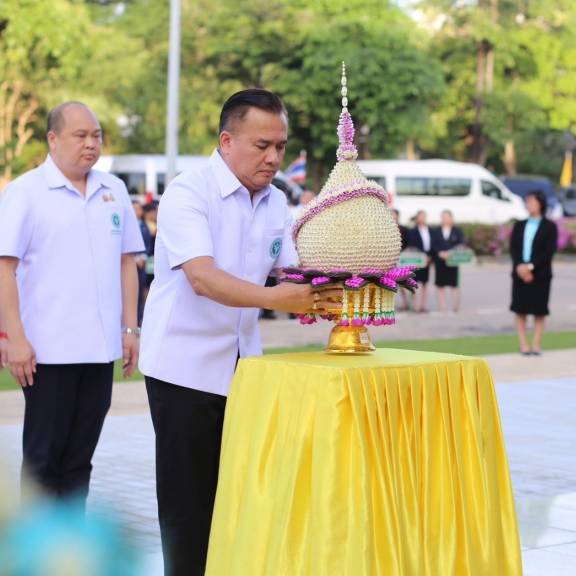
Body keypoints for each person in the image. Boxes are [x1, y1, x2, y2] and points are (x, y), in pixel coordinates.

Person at [139, 89, 340, 576]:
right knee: (189, 509)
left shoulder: (275, 203)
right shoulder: (189, 192)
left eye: (281, 146)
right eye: (262, 145)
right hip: (182, 371)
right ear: (227, 140)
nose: (273, 157)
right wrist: (278, 300)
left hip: (245, 370)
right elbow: (202, 277)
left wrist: (348, 281)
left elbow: (294, 271)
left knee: (242, 497)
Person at [0, 102, 144, 505]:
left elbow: (126, 263)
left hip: (99, 352)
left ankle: (71, 554)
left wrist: (130, 330)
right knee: (44, 461)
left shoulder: (112, 190)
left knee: (80, 460)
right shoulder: (25, 193)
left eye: (96, 135)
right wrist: (14, 337)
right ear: (52, 139)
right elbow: (4, 269)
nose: (91, 144)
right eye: (80, 136)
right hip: (46, 352)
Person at [510, 190, 558, 355]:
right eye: (527, 201)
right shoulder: (519, 225)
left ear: (540, 204)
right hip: (519, 273)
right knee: (520, 309)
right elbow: (514, 249)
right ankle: (523, 345)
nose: (529, 204)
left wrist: (531, 267)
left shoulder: (549, 226)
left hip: (540, 274)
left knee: (539, 310)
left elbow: (548, 251)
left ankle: (536, 344)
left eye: (532, 201)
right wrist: (520, 267)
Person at [432, 210, 465, 313]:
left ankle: (455, 306)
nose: (445, 219)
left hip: (453, 261)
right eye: (443, 217)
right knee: (440, 284)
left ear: (451, 218)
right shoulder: (436, 231)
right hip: (439, 261)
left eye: (447, 217)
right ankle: (442, 307)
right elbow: (433, 245)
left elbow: (461, 244)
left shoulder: (457, 231)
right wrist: (440, 253)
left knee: (454, 284)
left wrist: (451, 253)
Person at [407, 210, 433, 312]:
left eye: (424, 216)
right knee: (415, 283)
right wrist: (421, 256)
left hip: (428, 259)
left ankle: (423, 305)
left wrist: (429, 257)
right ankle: (415, 305)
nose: (422, 218)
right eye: (420, 216)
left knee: (425, 283)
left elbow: (433, 245)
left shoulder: (430, 230)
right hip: (417, 260)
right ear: (417, 218)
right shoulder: (413, 231)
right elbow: (412, 245)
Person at [391, 208, 410, 311]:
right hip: (389, 260)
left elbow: (408, 243)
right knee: (389, 283)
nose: (393, 217)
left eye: (394, 215)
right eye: (391, 214)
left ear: (398, 216)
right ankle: (389, 304)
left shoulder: (404, 229)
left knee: (402, 282)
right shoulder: (384, 228)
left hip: (402, 259)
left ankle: (406, 303)